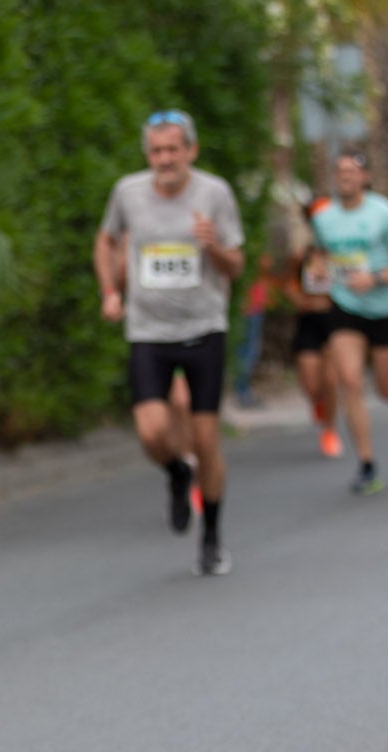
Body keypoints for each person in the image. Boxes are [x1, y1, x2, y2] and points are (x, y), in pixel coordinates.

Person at [95, 109, 245, 576]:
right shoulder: (128, 192)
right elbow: (105, 241)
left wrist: (213, 245)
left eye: (173, 150)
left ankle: (213, 537)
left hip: (204, 328)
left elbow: (236, 266)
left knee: (205, 439)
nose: (165, 159)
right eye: (156, 151)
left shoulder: (215, 193)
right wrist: (111, 292)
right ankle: (177, 474)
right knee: (151, 432)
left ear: (191, 151)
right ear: (148, 154)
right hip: (148, 330)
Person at [310, 149, 388, 496]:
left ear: (365, 177)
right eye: (339, 171)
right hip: (345, 306)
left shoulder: (385, 214)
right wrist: (319, 269)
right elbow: (321, 256)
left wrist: (378, 278)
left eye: (352, 171)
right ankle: (367, 463)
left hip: (384, 307)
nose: (345, 177)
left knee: (383, 387)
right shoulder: (324, 218)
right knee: (349, 380)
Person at [287, 196, 344, 458]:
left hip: (334, 318)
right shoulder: (304, 254)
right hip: (309, 320)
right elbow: (289, 283)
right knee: (311, 382)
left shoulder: (341, 251)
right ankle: (317, 401)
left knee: (330, 378)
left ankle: (330, 430)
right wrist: (299, 300)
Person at [232, 255, 270, 408]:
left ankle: (244, 390)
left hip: (256, 307)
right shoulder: (249, 254)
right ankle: (243, 391)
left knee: (251, 351)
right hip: (248, 309)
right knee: (246, 352)